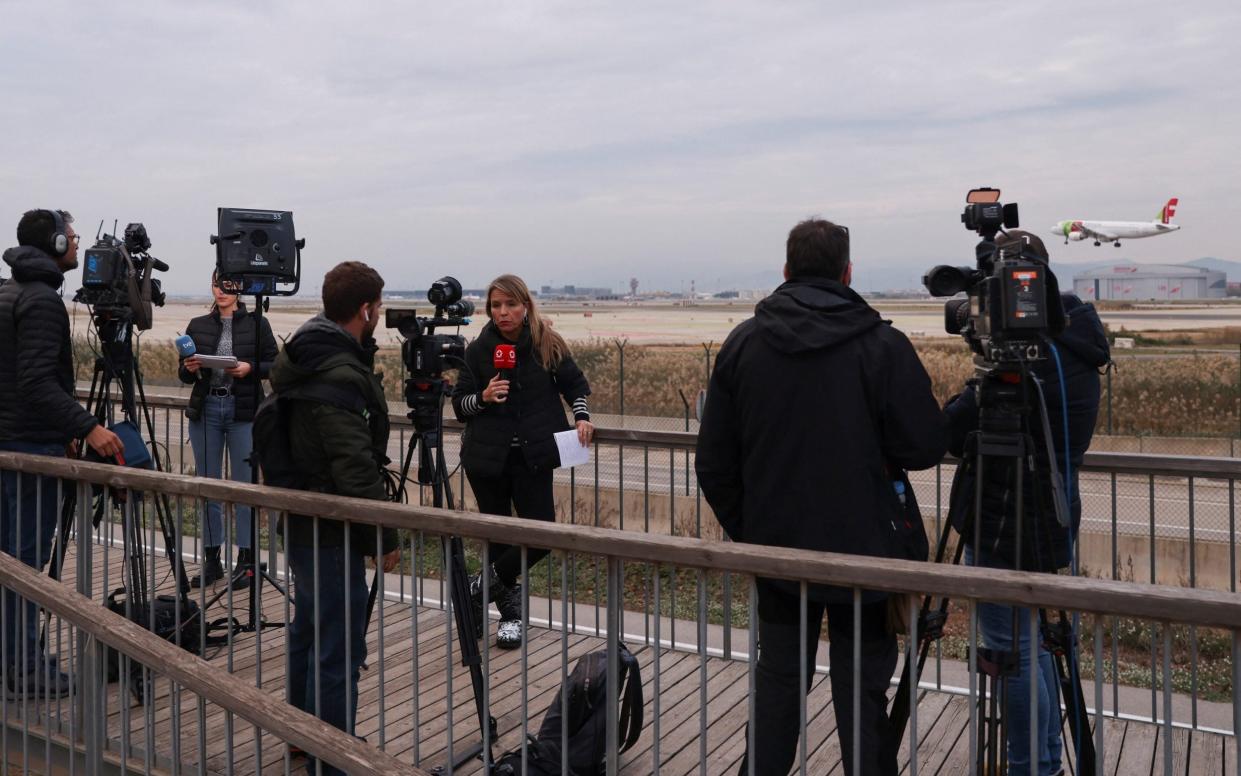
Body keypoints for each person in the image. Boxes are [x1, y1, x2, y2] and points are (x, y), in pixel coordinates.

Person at [696, 219, 947, 776]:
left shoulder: (743, 343)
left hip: (779, 556)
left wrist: (754, 529)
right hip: (867, 559)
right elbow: (926, 444)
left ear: (785, 271)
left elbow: (713, 463)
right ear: (847, 271)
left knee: (779, 685)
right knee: (862, 692)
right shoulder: (881, 344)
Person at [944, 230, 1109, 776]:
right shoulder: (1080, 346)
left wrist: (973, 389)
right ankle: (1046, 760)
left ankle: (1029, 765)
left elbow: (949, 431)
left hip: (1004, 521)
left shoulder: (1034, 361)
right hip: (1058, 511)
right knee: (1034, 641)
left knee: (1011, 650)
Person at [269, 261, 401, 773]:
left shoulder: (305, 354)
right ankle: (335, 753)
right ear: (366, 309)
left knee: (309, 627)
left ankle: (303, 735)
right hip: (332, 525)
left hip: (302, 516)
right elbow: (355, 469)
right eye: (378, 308)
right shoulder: (341, 372)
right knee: (339, 644)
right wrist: (382, 536)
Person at [0, 209, 123, 697]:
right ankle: (25, 670)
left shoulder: (8, 292)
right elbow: (35, 383)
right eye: (72, 237)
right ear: (53, 243)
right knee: (26, 565)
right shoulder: (43, 301)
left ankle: (15, 656)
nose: (77, 245)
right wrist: (88, 427)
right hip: (30, 451)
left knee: (8, 561)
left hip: (9, 448)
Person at [452, 274, 593, 650]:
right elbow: (460, 405)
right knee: (497, 538)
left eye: (510, 304)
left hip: (533, 456)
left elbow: (575, 385)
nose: (503, 313)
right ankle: (511, 618)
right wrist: (483, 396)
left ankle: (477, 587)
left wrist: (582, 416)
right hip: (487, 458)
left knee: (542, 533)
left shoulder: (547, 343)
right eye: (496, 306)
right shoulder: (479, 349)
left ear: (525, 306)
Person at [178, 270, 278, 589]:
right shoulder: (198, 325)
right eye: (216, 284)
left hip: (243, 410)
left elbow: (275, 365)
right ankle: (212, 561)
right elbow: (184, 376)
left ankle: (246, 563)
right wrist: (189, 368)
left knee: (243, 488)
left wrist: (250, 369)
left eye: (228, 285)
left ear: (240, 288)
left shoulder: (257, 323)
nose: (221, 290)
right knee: (208, 486)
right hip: (206, 408)